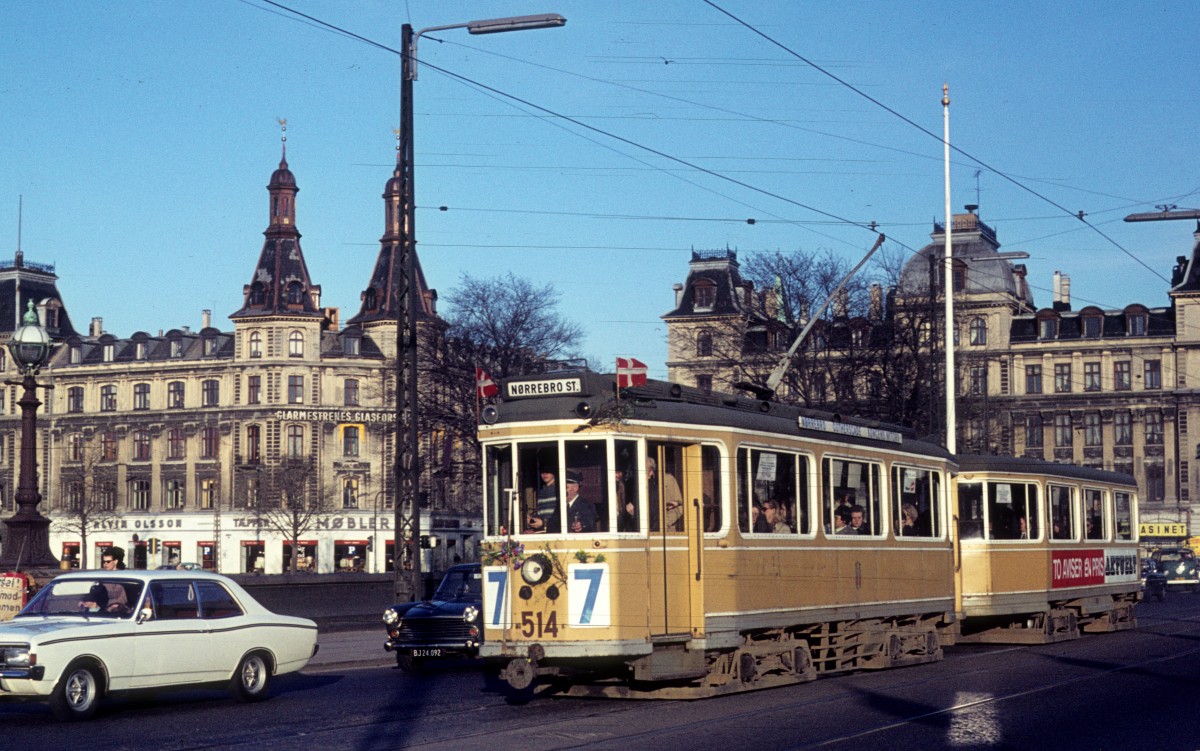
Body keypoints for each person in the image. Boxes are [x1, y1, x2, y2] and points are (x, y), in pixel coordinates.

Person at [647, 457, 684, 532]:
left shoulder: (668, 480)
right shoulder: (640, 484)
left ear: (650, 471)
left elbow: (679, 506)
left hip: (666, 532)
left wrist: (665, 523)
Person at [527, 467, 559, 533]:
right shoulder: (541, 491)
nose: (544, 474)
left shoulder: (558, 489)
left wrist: (543, 523)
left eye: (547, 472)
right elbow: (540, 512)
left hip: (555, 530)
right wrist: (532, 519)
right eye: (542, 472)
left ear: (554, 473)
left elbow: (559, 515)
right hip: (542, 530)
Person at [100, 547, 130, 615]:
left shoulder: (125, 576)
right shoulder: (102, 576)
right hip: (105, 611)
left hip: (122, 612)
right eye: (103, 562)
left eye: (108, 562)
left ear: (116, 561)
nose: (105, 564)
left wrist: (114, 605)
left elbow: (124, 597)